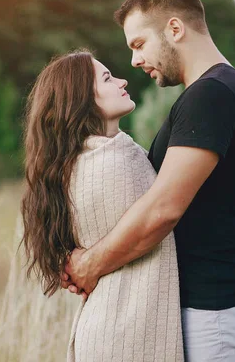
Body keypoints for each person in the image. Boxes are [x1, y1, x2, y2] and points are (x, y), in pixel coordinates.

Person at [62, 0, 235, 361]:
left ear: (175, 29)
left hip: (220, 310)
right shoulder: (210, 92)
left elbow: (164, 208)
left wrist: (90, 265)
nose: (133, 61)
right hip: (213, 307)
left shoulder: (212, 95)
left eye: (139, 44)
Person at [21, 50, 183, 361]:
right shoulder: (117, 160)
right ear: (81, 99)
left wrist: (81, 265)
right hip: (130, 340)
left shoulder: (73, 165)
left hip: (105, 333)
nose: (122, 81)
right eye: (107, 78)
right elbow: (162, 217)